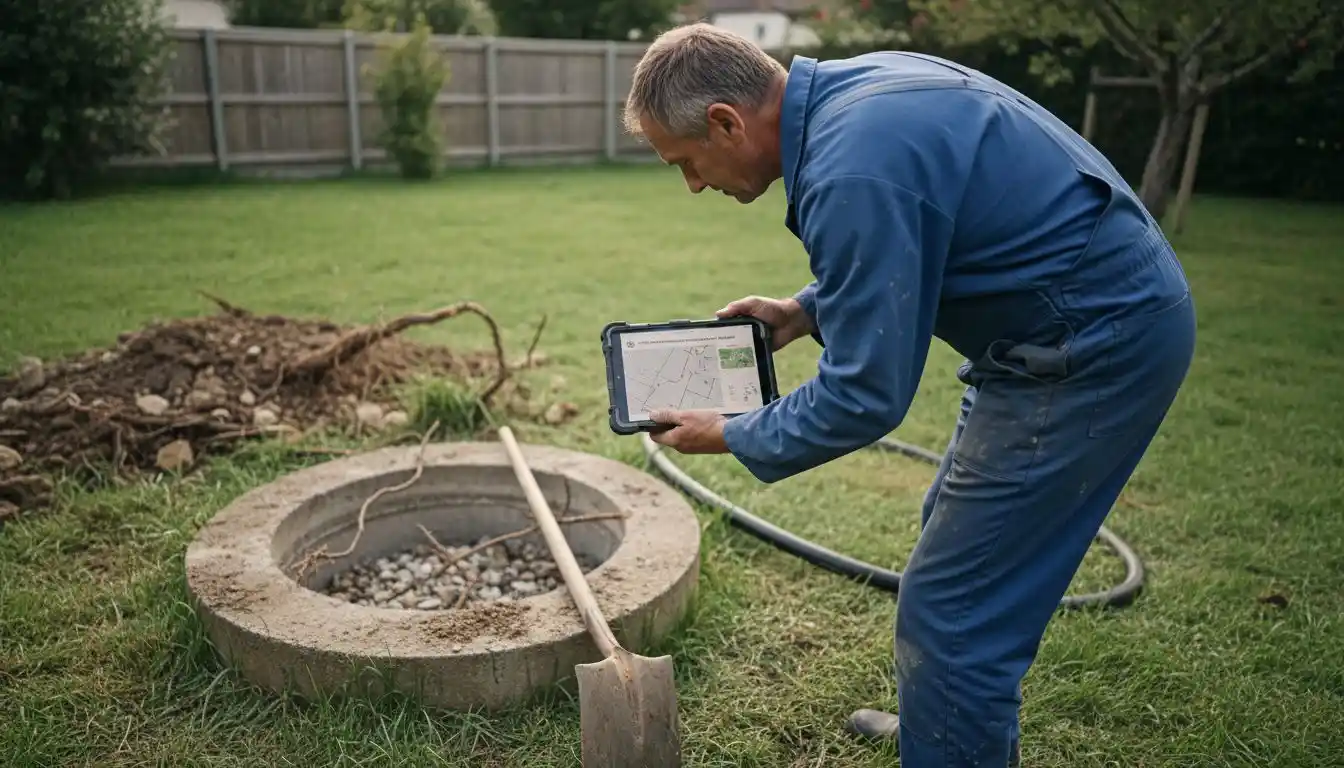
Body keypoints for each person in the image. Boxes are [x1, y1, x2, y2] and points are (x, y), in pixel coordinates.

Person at [623, 22, 1197, 768]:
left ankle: (950, 736)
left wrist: (731, 431)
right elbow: (924, 230)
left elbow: (865, 394)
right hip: (1062, 327)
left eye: (687, 162)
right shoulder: (855, 95)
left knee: (955, 608)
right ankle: (944, 724)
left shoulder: (850, 168)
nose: (694, 184)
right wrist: (804, 311)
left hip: (1093, 346)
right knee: (952, 537)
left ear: (726, 122)